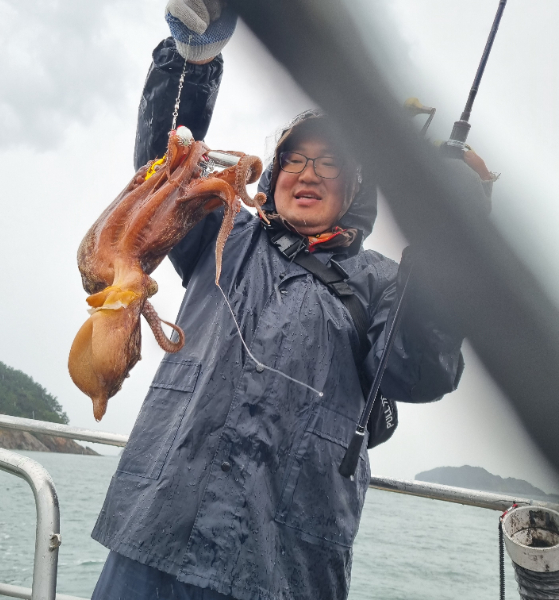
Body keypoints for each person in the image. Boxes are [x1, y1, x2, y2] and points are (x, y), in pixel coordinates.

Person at [91, 3, 496, 599]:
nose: (309, 173)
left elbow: (420, 370)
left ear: (356, 187)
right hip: (155, 533)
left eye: (331, 162)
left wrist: (449, 242)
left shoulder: (383, 281)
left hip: (283, 569)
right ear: (274, 174)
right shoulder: (221, 233)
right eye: (295, 159)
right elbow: (164, 173)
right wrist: (190, 61)